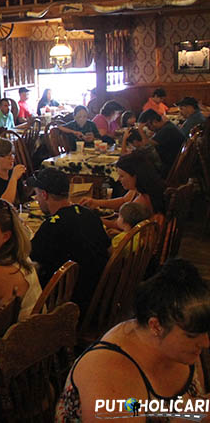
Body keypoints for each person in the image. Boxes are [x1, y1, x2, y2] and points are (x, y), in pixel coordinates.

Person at [55, 259, 209, 422]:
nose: (206, 343)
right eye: (191, 336)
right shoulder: (108, 373)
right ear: (156, 326)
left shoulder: (180, 343)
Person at [28, 168, 110, 312]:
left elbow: (28, 260)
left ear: (44, 194)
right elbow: (108, 249)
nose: (37, 199)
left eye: (36, 194)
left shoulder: (52, 226)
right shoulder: (89, 215)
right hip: (99, 298)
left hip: (69, 307)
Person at [80, 153, 165, 227]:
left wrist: (91, 218)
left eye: (122, 176)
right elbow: (123, 200)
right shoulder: (141, 188)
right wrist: (95, 202)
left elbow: (117, 225)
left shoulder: (142, 200)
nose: (118, 179)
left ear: (135, 176)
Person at [136, 109, 186, 176]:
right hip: (175, 163)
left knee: (139, 168)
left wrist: (140, 130)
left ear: (154, 122)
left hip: (170, 168)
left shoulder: (167, 130)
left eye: (148, 126)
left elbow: (147, 145)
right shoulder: (168, 126)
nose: (148, 128)